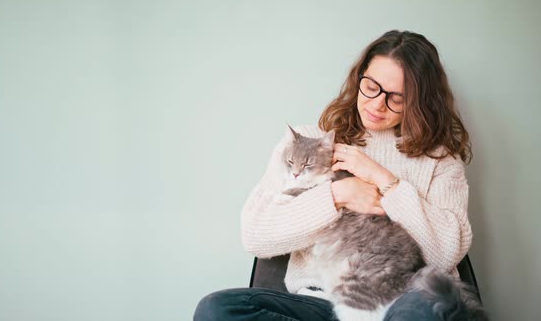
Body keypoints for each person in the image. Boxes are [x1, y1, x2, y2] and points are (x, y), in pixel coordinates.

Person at [194, 30, 473, 321]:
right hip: (318, 302)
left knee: (428, 309)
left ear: (419, 101)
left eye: (396, 98)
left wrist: (384, 180)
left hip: (398, 299)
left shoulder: (441, 160)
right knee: (216, 309)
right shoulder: (307, 143)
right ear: (358, 78)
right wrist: (337, 196)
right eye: (371, 87)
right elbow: (255, 235)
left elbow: (444, 255)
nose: (377, 104)